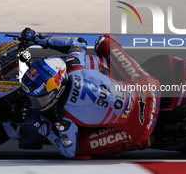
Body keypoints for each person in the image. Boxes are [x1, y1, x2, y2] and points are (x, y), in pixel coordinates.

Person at [20, 28, 161, 159]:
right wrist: (39, 39)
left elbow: (68, 151)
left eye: (40, 99)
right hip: (149, 86)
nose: (36, 104)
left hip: (142, 127)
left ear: (57, 90)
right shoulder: (73, 66)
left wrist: (41, 124)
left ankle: (139, 142)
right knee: (104, 42)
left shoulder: (63, 118)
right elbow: (78, 43)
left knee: (79, 150)